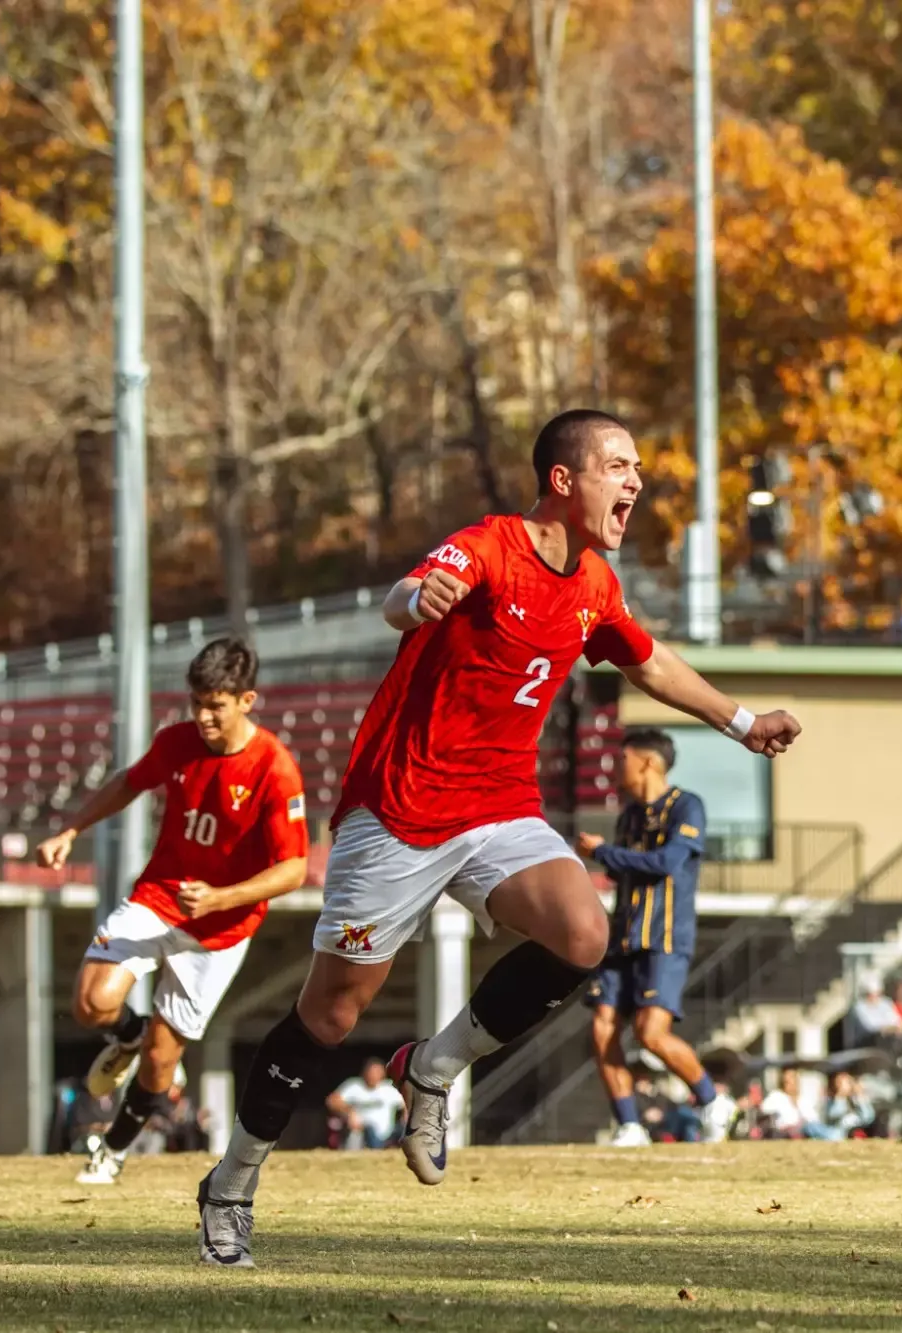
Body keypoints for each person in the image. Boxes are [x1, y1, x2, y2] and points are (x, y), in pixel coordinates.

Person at [194, 410, 802, 1267]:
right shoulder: (488, 545)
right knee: (330, 1016)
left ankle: (432, 1068)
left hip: (499, 807)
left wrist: (742, 721)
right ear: (565, 479)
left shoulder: (594, 583)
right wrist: (418, 599)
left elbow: (648, 661)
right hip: (398, 811)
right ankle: (231, 1183)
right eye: (618, 466)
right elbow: (401, 596)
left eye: (637, 468)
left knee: (585, 931)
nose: (636, 482)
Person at [36, 638, 309, 1186]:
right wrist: (72, 829)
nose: (204, 717)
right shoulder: (178, 742)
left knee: (164, 1061)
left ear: (247, 700)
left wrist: (221, 897)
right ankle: (128, 1034)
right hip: (159, 897)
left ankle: (111, 1152)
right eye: (196, 703)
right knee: (92, 1002)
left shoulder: (274, 770)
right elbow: (128, 783)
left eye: (217, 705)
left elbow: (294, 869)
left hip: (223, 928)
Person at [579, 728, 733, 1147]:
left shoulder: (688, 806)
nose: (616, 767)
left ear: (647, 762)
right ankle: (629, 1125)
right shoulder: (629, 815)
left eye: (623, 758)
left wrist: (603, 852)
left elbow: (666, 863)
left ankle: (712, 1100)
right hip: (622, 937)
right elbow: (624, 869)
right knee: (601, 1028)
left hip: (664, 938)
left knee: (650, 1033)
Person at [327, 1057, 406, 1150]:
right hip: (361, 1130)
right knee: (365, 1129)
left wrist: (405, 1116)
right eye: (371, 1072)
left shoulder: (389, 1089)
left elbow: (406, 1104)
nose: (373, 1076)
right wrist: (349, 1112)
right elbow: (332, 1101)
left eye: (377, 1072)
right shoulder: (354, 1085)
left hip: (387, 1133)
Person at [758, 1067, 811, 1140]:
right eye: (787, 1082)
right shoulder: (777, 1095)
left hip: (804, 1130)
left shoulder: (804, 1098)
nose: (792, 1084)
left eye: (793, 1080)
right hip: (784, 1132)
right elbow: (764, 1108)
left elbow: (813, 1119)